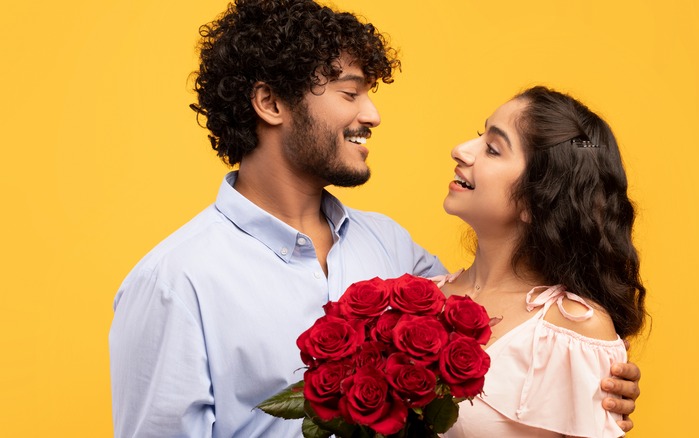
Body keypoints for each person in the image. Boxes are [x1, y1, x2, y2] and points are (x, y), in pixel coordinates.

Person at [108, 1, 641, 436]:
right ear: (270, 103)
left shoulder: (394, 252)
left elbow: (503, 327)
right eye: (350, 92)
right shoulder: (175, 281)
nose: (372, 114)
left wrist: (593, 376)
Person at [437, 86, 646, 437]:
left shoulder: (573, 329)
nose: (460, 150)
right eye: (479, 135)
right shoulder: (418, 297)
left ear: (537, 200)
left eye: (492, 148)